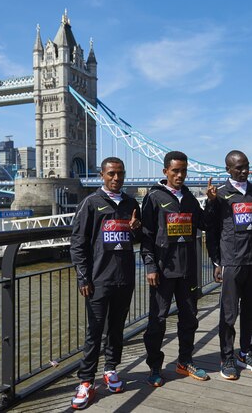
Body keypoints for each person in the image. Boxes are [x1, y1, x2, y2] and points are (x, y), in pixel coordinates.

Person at [69, 157, 142, 410]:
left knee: (116, 329)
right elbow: (78, 243)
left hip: (124, 278)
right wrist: (83, 277)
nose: (116, 178)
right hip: (98, 280)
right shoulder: (90, 203)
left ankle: (111, 369)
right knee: (94, 332)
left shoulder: (132, 204)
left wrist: (136, 229)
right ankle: (86, 381)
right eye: (111, 173)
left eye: (120, 174)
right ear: (102, 175)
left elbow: (137, 237)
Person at [206, 150, 252, 380]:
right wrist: (216, 261)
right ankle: (226, 357)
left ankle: (247, 353)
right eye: (239, 167)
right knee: (229, 315)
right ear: (228, 169)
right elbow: (211, 230)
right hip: (232, 262)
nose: (245, 171)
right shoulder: (219, 195)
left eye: (246, 166)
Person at [141, 150, 211, 386]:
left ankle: (184, 361)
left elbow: (205, 223)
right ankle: (154, 367)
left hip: (188, 270)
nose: (180, 175)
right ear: (165, 172)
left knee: (190, 318)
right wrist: (150, 265)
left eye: (184, 170)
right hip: (163, 270)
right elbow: (147, 235)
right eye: (175, 171)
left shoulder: (189, 198)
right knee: (157, 321)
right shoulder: (153, 198)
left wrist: (211, 203)